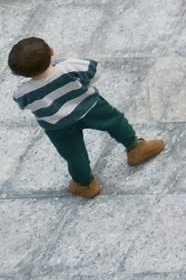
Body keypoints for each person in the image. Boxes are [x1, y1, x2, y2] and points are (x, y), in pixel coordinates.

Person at [8, 35, 165, 199]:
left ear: (16, 73)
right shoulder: (71, 67)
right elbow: (95, 73)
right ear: (51, 51)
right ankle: (135, 148)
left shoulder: (23, 92)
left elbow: (23, 104)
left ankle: (85, 184)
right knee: (116, 123)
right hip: (91, 107)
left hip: (58, 127)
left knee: (74, 155)